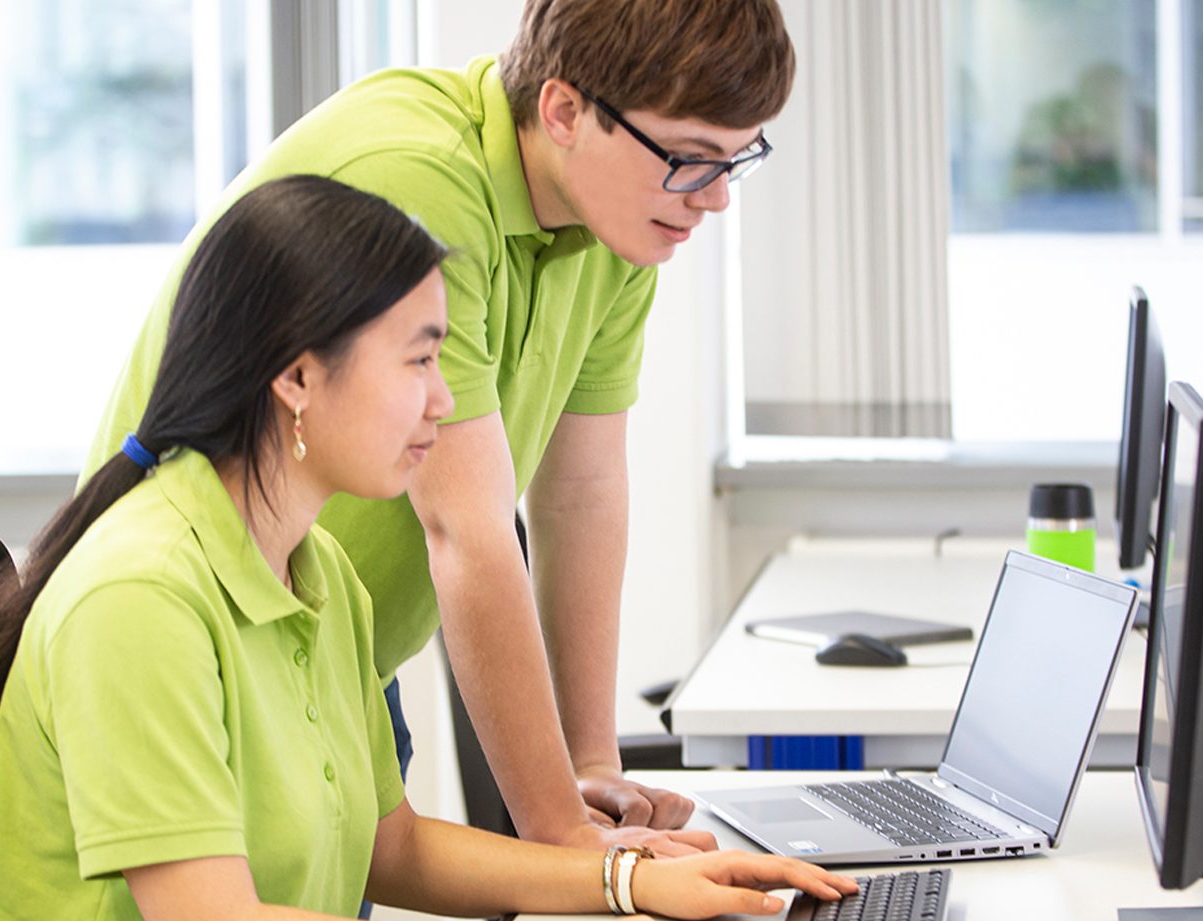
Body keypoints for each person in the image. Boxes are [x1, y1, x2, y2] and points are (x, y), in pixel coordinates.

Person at [0, 176, 853, 921]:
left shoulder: (319, 572)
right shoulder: (138, 598)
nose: (444, 401)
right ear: (295, 375)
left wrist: (629, 880)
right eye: (417, 359)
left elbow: (390, 845)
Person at [80, 0, 796, 857]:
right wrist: (565, 839)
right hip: (198, 651)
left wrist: (589, 762)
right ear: (565, 111)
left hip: (332, 649)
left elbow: (581, 493)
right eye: (689, 159)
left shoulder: (619, 223)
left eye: (734, 161)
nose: (713, 198)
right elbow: (466, 524)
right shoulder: (422, 182)